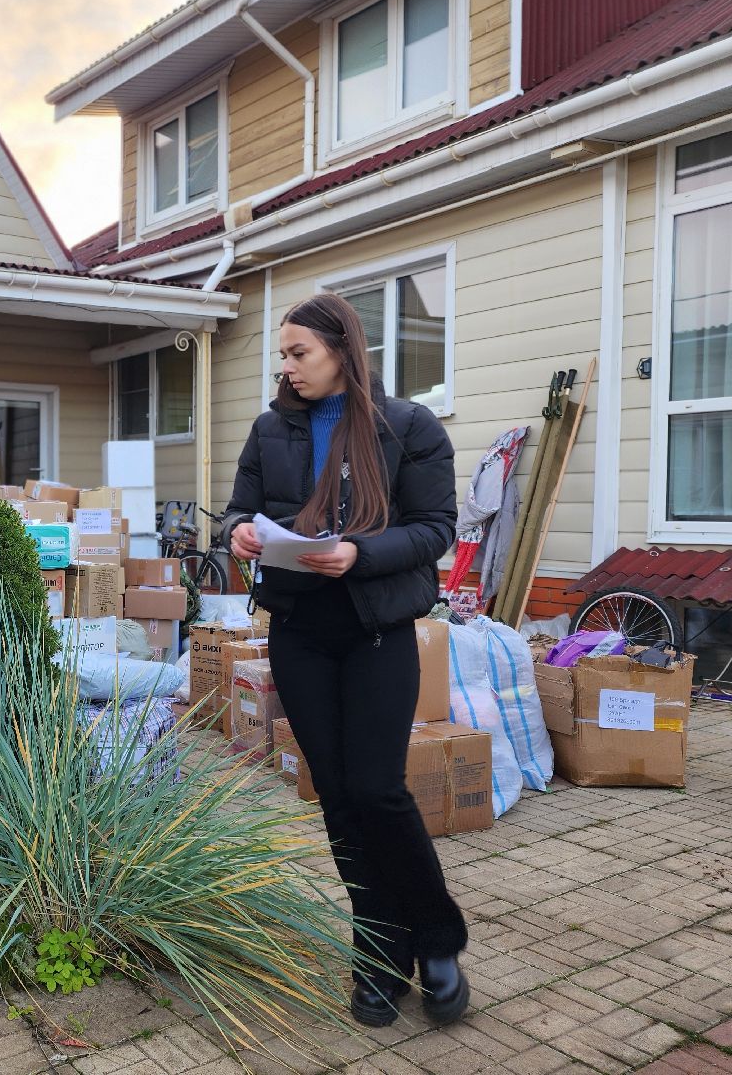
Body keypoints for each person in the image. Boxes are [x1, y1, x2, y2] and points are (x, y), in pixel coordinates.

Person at [223, 292, 469, 1028]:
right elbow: (239, 508)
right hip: (301, 635)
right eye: (284, 355)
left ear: (341, 349)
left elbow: (435, 530)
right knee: (335, 796)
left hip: (377, 635)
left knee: (379, 791)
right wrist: (238, 533)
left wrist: (360, 553)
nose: (287, 367)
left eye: (299, 352)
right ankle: (379, 953)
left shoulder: (409, 427)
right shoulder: (271, 428)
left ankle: (437, 940)